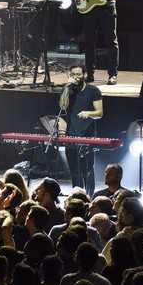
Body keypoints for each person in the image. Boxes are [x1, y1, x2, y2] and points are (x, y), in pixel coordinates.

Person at [58, 64, 103, 196]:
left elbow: (100, 113)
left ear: (85, 75)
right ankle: (76, 196)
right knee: (74, 170)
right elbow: (62, 106)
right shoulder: (67, 90)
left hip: (88, 135)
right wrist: (66, 87)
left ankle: (89, 196)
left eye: (78, 74)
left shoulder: (93, 91)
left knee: (87, 170)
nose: (76, 77)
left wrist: (88, 113)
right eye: (73, 75)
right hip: (71, 134)